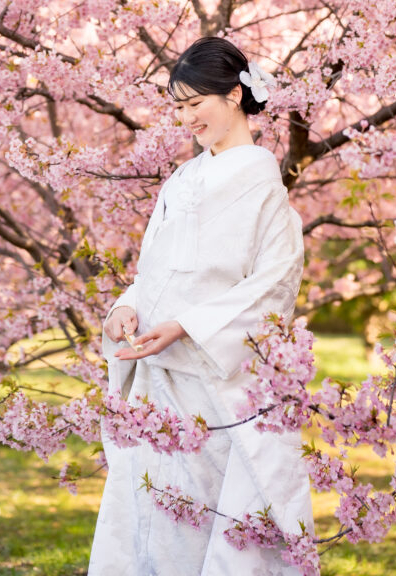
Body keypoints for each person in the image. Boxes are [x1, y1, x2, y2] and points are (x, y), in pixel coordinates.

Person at [88, 36, 313, 576]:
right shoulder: (181, 179)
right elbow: (153, 271)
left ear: (235, 95)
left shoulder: (263, 183)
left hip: (213, 377)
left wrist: (187, 325)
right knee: (147, 514)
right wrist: (125, 309)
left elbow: (275, 283)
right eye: (179, 107)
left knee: (202, 523)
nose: (186, 118)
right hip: (155, 370)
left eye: (195, 104)